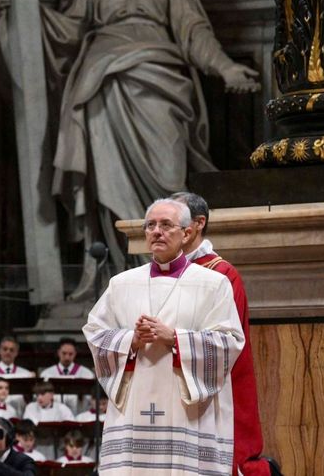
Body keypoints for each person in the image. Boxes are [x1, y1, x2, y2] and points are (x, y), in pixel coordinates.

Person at [42, 0, 260, 300]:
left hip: (159, 83)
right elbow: (63, 32)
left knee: (168, 175)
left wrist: (226, 68)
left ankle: (171, 269)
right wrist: (11, 7)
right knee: (107, 181)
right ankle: (114, 273)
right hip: (102, 85)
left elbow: (195, 34)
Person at [83, 198, 243, 475]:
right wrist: (130, 340)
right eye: (151, 225)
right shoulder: (122, 284)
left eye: (166, 225)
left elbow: (230, 342)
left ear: (186, 233)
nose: (157, 231)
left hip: (187, 412)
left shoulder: (213, 284)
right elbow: (95, 333)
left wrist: (176, 338)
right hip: (133, 407)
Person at [172, 191, 270, 476]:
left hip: (210, 388)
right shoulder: (162, 273)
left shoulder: (221, 274)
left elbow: (227, 344)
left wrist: (174, 339)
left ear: (198, 223)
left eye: (172, 221)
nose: (163, 230)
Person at [39, 337, 95, 413]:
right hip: (53, 416)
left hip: (79, 417)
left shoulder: (87, 374)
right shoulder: (46, 374)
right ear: (58, 352)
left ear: (75, 353)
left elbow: (92, 400)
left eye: (70, 354)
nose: (67, 357)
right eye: (64, 353)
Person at [0, 334, 35, 413]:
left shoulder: (26, 374)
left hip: (20, 416)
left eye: (11, 350)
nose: (8, 352)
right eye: (5, 349)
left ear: (16, 353)